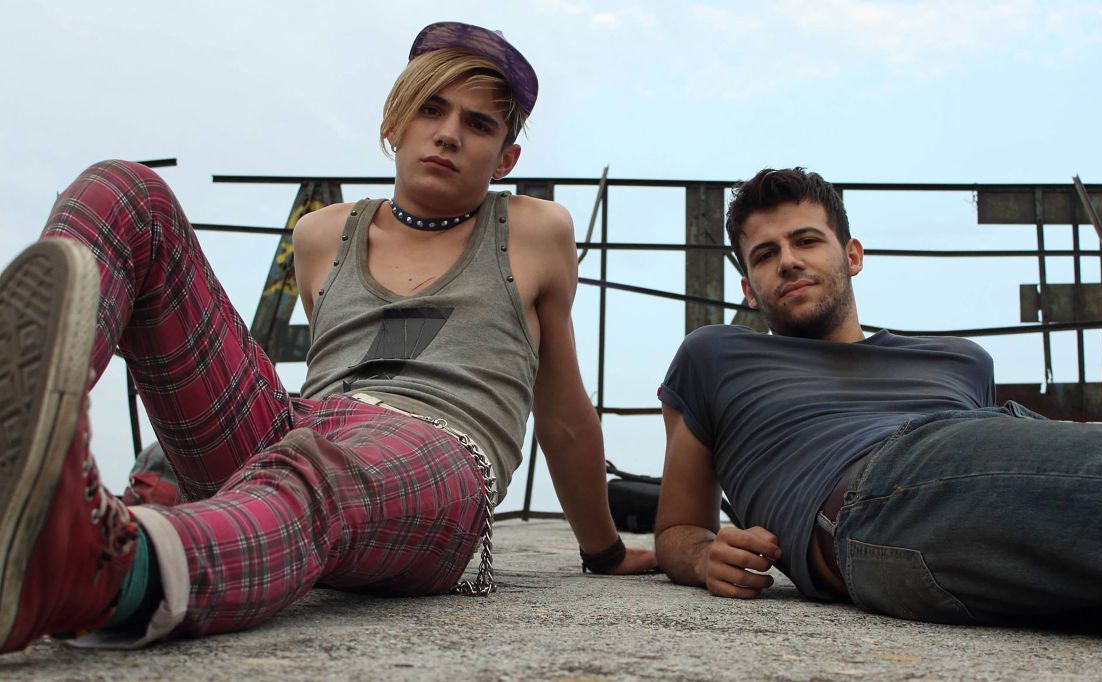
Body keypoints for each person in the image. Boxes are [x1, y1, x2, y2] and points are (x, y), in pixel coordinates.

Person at [0, 20, 654, 654]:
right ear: (395, 122)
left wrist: (604, 550)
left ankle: (103, 571)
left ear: (506, 158)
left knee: (316, 474)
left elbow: (562, 414)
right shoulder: (321, 234)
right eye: (431, 109)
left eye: (478, 124)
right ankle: (33, 462)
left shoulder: (535, 231)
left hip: (439, 451)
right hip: (301, 425)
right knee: (125, 192)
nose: (449, 134)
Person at [653, 166, 1102, 634]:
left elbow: (1017, 471)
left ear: (852, 255)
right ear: (748, 289)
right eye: (765, 254)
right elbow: (677, 529)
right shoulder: (715, 354)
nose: (789, 261)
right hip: (868, 498)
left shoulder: (962, 360)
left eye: (807, 241)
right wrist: (704, 557)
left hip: (964, 501)